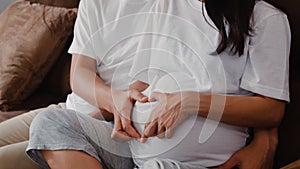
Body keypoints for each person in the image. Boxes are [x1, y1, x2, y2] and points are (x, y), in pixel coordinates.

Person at [1, 0, 290, 168]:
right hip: (111, 129)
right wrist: (116, 106)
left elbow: (270, 105)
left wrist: (266, 138)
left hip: (168, 159)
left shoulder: (264, 18)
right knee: (51, 123)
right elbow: (84, 76)